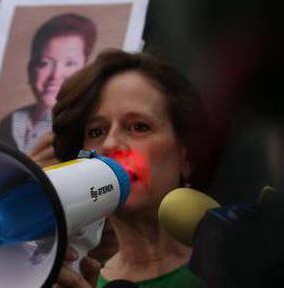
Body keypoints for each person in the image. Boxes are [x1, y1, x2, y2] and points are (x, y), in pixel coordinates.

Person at [51, 49, 212, 287]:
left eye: (138, 126)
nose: (110, 144)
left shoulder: (237, 266)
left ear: (185, 155)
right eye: (96, 131)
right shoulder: (79, 281)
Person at [0, 13, 97, 156]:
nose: (55, 75)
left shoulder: (89, 126)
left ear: (86, 69)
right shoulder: (10, 122)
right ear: (31, 69)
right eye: (45, 63)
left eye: (70, 63)